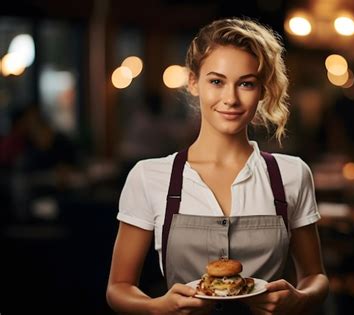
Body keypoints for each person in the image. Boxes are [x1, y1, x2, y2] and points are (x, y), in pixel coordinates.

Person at [106, 17, 329, 315]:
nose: (231, 99)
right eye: (216, 81)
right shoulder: (149, 177)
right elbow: (118, 287)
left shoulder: (292, 174)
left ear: (262, 90)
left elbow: (317, 278)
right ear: (194, 83)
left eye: (246, 84)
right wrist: (157, 308)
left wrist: (298, 299)